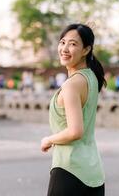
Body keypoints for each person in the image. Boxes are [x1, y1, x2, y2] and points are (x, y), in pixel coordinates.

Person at [41, 23, 106, 196]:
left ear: (86, 50)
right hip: (94, 173)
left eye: (73, 44)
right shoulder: (92, 78)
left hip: (69, 171)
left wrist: (49, 139)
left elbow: (75, 131)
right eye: (62, 42)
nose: (65, 48)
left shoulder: (71, 85)